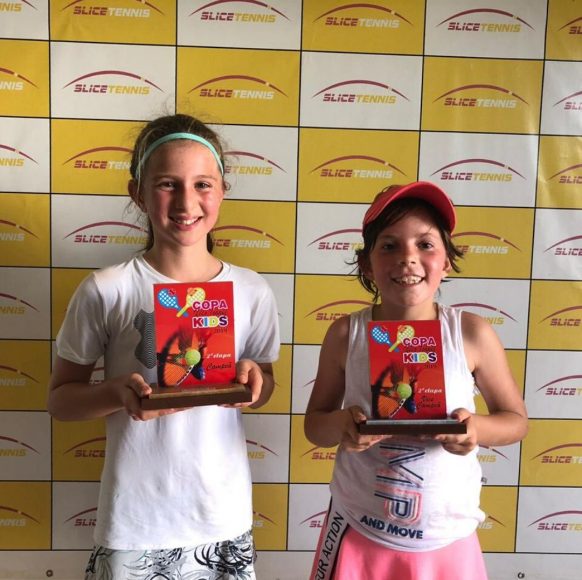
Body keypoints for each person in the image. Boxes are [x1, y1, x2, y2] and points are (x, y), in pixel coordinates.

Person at [47, 113, 280, 579]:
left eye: (202, 184)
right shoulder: (106, 289)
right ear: (138, 193)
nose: (186, 202)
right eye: (167, 184)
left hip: (221, 517)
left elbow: (265, 385)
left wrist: (256, 382)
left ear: (223, 190)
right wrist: (117, 393)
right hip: (134, 523)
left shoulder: (252, 291)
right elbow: (61, 401)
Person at [304, 181, 528, 580]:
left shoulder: (470, 333)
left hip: (446, 536)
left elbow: (515, 420)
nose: (407, 258)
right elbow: (315, 425)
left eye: (425, 244)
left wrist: (474, 429)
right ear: (366, 264)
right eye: (389, 245)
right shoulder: (345, 334)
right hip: (358, 527)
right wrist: (342, 426)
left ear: (448, 261)